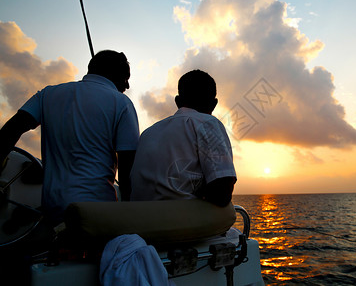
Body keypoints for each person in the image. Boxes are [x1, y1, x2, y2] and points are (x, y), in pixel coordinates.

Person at [0, 50, 140, 226]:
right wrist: (128, 212)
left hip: (53, 209)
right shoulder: (122, 103)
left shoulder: (47, 94)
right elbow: (128, 165)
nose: (127, 86)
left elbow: (11, 129)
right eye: (126, 78)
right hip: (98, 211)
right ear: (115, 75)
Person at [130, 69, 236, 207]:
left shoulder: (147, 133)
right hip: (183, 223)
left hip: (140, 222)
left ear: (178, 101)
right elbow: (222, 194)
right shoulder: (207, 123)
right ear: (214, 104)